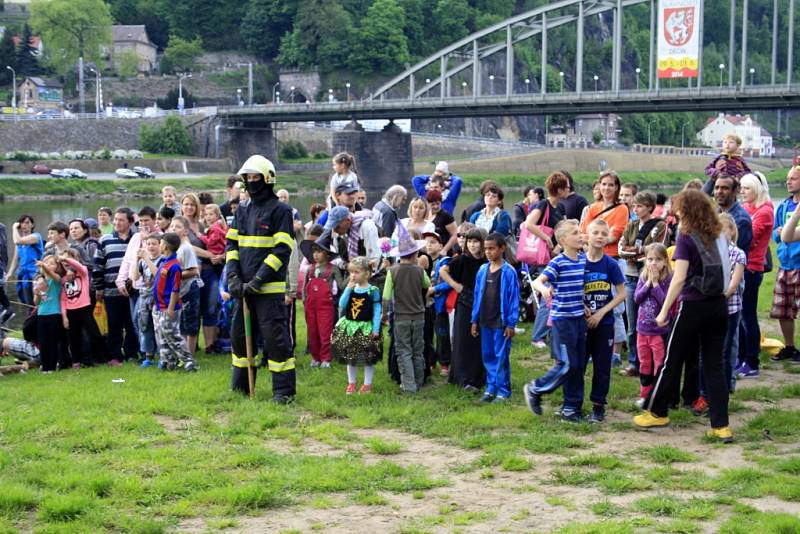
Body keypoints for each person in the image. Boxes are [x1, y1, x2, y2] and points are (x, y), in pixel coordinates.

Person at [633, 190, 733, 444]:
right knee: (714, 366)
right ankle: (721, 426)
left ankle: (657, 412)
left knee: (672, 359)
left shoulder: (686, 236)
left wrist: (665, 311)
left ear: (686, 210)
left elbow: (679, 278)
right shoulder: (719, 232)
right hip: (719, 304)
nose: (676, 212)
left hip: (693, 305)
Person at [225, 155, 296, 403]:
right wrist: (233, 276)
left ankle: (283, 392)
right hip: (243, 288)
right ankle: (241, 386)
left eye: (256, 177)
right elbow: (231, 244)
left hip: (268, 289)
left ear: (267, 179)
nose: (251, 181)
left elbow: (282, 250)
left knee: (275, 340)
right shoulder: (242, 209)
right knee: (238, 337)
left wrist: (259, 279)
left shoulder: (281, 211)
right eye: (248, 177)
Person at [525, 220, 587, 422]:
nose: (580, 236)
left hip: (579, 319)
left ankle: (572, 409)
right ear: (563, 240)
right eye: (575, 233)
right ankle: (535, 388)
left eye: (580, 232)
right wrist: (543, 289)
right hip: (562, 321)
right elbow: (537, 281)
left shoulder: (582, 260)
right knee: (567, 364)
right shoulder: (558, 262)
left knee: (577, 366)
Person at [617, 191, 668, 377]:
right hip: (631, 276)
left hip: (652, 276)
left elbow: (656, 249)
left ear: (649, 207)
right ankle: (634, 362)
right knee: (633, 323)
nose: (636, 209)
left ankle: (656, 362)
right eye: (634, 206)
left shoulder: (659, 226)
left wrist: (638, 250)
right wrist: (640, 252)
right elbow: (621, 249)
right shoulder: (631, 225)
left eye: (640, 206)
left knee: (655, 319)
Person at [582, 219, 627, 423]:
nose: (600, 237)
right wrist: (581, 306)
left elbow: (621, 293)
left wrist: (601, 313)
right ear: (587, 236)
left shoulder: (611, 264)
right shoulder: (579, 262)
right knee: (577, 365)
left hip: (605, 323)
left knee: (602, 366)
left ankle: (598, 406)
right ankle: (572, 403)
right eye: (596, 233)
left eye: (603, 233)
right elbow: (570, 288)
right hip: (581, 323)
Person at [470, 232, 519, 403]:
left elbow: (514, 300)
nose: (488, 252)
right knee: (488, 355)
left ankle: (503, 389)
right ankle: (491, 387)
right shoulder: (483, 270)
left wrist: (511, 324)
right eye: (486, 249)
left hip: (500, 322)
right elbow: (477, 296)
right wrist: (474, 320)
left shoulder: (509, 272)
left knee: (501, 356)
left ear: (502, 248)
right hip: (484, 320)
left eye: (492, 248)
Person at [383, 223, 430, 394]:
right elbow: (427, 285)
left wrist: (383, 315)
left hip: (401, 317)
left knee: (404, 351)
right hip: (419, 316)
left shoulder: (392, 272)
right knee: (418, 350)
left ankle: (409, 386)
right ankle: (419, 381)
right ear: (416, 253)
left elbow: (386, 297)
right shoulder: (419, 270)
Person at [737, 173, 774, 377]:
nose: (742, 191)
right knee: (740, 315)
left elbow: (747, 239)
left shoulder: (765, 211)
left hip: (752, 267)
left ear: (756, 190)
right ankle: (741, 357)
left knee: (748, 316)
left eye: (746, 188)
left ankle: (752, 361)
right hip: (741, 265)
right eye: (741, 187)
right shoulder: (746, 209)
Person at [440, 228, 487, 391]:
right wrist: (455, 285)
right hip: (465, 302)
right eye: (470, 242)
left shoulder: (486, 261)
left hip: (483, 303)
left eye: (476, 241)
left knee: (479, 340)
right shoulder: (462, 259)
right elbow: (443, 271)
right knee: (463, 340)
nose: (473, 245)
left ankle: (478, 376)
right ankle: (462, 377)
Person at [332, 256, 383, 394]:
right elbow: (342, 304)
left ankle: (367, 384)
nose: (352, 275)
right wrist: (348, 288)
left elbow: (377, 310)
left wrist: (376, 328)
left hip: (366, 328)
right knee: (351, 357)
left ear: (366, 274)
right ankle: (352, 383)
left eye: (356, 272)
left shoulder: (373, 290)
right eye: (351, 272)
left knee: (368, 358)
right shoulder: (352, 288)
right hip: (351, 327)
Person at [93, 207, 137, 365]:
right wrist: (99, 287)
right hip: (111, 291)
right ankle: (115, 355)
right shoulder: (105, 240)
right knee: (114, 325)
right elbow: (98, 266)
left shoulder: (137, 239)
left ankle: (132, 353)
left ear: (130, 222)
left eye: (121, 220)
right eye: (116, 219)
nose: (117, 222)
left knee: (132, 324)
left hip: (133, 291)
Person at [148, 233, 197, 372]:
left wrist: (170, 309)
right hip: (158, 307)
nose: (160, 244)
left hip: (169, 307)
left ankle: (189, 361)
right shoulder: (164, 262)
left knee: (172, 335)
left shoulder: (175, 266)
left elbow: (175, 289)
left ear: (166, 246)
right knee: (161, 335)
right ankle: (167, 361)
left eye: (161, 242)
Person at [633, 243, 672, 408]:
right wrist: (649, 283)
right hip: (643, 330)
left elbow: (665, 302)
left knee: (659, 363)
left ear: (665, 261)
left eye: (658, 259)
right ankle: (644, 394)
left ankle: (658, 395)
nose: (653, 263)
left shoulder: (668, 279)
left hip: (659, 331)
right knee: (644, 363)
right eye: (650, 259)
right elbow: (637, 298)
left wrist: (656, 284)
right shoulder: (643, 277)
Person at [770, 166, 800, 363]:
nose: (788, 182)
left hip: (799, 263)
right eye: (788, 178)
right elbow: (774, 234)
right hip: (785, 263)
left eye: (794, 179)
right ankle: (790, 347)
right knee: (783, 309)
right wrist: (778, 232)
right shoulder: (783, 206)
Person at [299, 233, 343, 368]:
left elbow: (341, 286)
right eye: (314, 252)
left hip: (326, 306)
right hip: (310, 306)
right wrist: (305, 300)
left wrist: (352, 278)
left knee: (325, 332)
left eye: (319, 251)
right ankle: (315, 357)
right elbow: (305, 287)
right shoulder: (310, 269)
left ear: (327, 254)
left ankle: (326, 358)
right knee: (312, 332)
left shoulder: (333, 269)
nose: (316, 255)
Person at [58, 249, 106, 369]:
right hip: (70, 311)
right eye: (64, 259)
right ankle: (76, 361)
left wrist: (65, 259)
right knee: (73, 337)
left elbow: (78, 265)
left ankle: (100, 358)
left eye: (69, 258)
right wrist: (64, 316)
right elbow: (63, 299)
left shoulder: (83, 272)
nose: (66, 262)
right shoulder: (63, 279)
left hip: (84, 308)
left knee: (94, 333)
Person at [169, 216, 203, 355]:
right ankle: (182, 354)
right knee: (181, 323)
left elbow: (194, 270)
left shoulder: (186, 248)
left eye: (177, 226)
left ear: (185, 231)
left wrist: (172, 274)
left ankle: (190, 356)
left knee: (190, 324)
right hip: (179, 290)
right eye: (172, 226)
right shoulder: (173, 248)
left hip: (190, 288)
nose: (173, 229)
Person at [198, 203, 228, 353]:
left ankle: (212, 343)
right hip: (211, 264)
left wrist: (200, 236)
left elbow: (210, 242)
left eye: (211, 215)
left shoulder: (215, 228)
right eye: (206, 215)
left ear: (217, 215)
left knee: (212, 306)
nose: (208, 217)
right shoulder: (217, 227)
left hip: (215, 264)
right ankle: (212, 342)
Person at [130, 235, 162, 368]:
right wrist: (137, 259)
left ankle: (163, 355)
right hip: (144, 296)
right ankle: (148, 356)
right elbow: (135, 277)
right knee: (144, 327)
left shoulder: (162, 260)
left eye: (154, 244)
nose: (150, 247)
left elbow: (158, 274)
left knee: (159, 328)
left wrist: (147, 258)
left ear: (160, 245)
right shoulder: (143, 261)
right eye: (148, 244)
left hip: (157, 298)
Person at [34, 255, 67, 372]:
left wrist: (43, 265)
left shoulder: (56, 279)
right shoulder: (39, 281)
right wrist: (37, 293)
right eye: (46, 262)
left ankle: (52, 366)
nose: (48, 265)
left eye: (51, 263)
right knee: (43, 341)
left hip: (54, 314)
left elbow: (52, 275)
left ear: (56, 267)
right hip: (41, 315)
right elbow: (36, 302)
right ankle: (44, 366)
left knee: (53, 341)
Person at [425, 231, 451, 376]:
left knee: (442, 334)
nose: (429, 245)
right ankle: (430, 360)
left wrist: (433, 289)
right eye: (427, 242)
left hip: (440, 304)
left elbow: (450, 283)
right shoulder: (421, 260)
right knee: (427, 334)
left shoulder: (445, 261)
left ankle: (444, 362)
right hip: (425, 305)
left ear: (441, 245)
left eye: (433, 242)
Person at [7, 215, 44, 306]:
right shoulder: (19, 241)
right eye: (22, 223)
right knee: (28, 302)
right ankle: (31, 317)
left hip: (36, 273)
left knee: (38, 301)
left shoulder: (36, 236)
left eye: (27, 223)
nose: (24, 225)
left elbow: (17, 241)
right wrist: (10, 273)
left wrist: (14, 228)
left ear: (32, 225)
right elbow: (16, 258)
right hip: (24, 274)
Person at [713, 175, 753, 255]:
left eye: (725, 188)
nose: (719, 191)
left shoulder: (741, 220)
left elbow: (727, 251)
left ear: (735, 192)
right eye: (717, 188)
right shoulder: (715, 213)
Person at [426, 190, 459, 256]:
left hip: (442, 252)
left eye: (438, 203)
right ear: (427, 203)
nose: (436, 206)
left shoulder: (445, 216)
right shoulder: (425, 214)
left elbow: (455, 234)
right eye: (433, 204)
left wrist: (445, 250)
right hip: (428, 251)